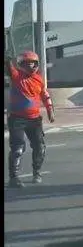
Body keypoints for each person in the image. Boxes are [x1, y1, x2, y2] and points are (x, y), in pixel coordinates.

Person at [5, 50, 55, 188]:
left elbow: (44, 94)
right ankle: (13, 178)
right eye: (28, 64)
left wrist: (50, 110)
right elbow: (9, 68)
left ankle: (36, 172)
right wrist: (8, 59)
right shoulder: (16, 76)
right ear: (21, 64)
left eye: (34, 63)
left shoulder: (38, 79)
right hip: (17, 119)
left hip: (34, 119)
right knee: (18, 148)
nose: (31, 66)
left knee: (40, 147)